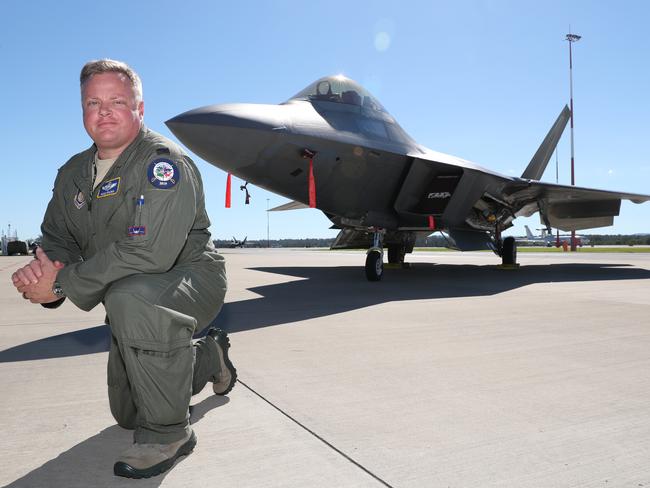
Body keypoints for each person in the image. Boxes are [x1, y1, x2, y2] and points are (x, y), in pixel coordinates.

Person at [11, 59, 236, 479]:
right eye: (93, 102)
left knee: (131, 299)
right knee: (128, 412)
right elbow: (57, 235)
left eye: (117, 100)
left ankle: (169, 434)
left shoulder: (164, 163)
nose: (104, 111)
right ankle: (208, 357)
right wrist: (43, 271)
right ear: (82, 111)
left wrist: (60, 283)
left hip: (190, 279)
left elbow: (149, 252)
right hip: (131, 291)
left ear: (140, 109)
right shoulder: (74, 173)